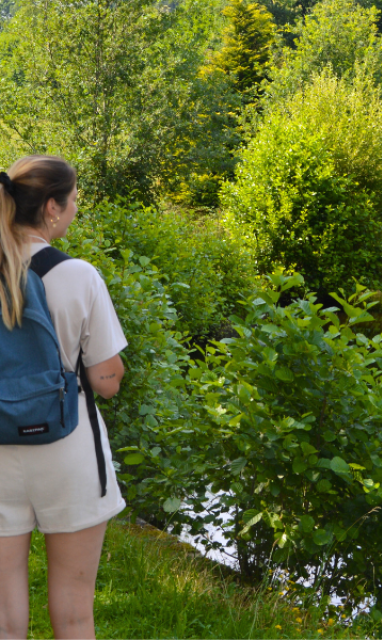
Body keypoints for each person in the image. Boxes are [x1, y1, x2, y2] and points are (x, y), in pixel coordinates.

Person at [0, 156, 127, 640]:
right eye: (73, 201)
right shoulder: (78, 275)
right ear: (52, 207)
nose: (75, 209)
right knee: (74, 614)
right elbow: (105, 379)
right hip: (66, 444)